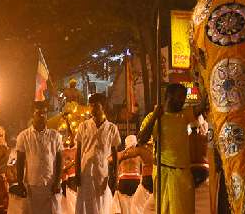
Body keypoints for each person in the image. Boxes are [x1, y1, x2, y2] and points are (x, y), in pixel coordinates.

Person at [137, 83, 207, 214]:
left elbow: (201, 106)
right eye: (179, 97)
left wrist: (203, 84)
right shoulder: (154, 117)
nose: (182, 101)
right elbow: (141, 139)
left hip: (183, 174)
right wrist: (154, 117)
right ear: (168, 96)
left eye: (184, 98)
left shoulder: (184, 115)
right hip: (163, 171)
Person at [75, 93, 121, 214]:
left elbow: (115, 154)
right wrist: (77, 173)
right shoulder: (83, 126)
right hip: (85, 172)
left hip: (102, 172)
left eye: (96, 106)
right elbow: (78, 151)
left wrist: (115, 174)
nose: (92, 109)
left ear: (103, 106)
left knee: (101, 204)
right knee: (85, 204)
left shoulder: (112, 128)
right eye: (90, 106)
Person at [16, 101, 63, 214]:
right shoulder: (23, 136)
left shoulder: (55, 135)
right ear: (32, 114)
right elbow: (20, 162)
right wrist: (20, 183)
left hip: (50, 184)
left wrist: (57, 182)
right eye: (39, 113)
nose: (42, 116)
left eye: (45, 113)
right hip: (32, 185)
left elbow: (60, 160)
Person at [112, 135, 142, 214]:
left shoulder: (121, 154)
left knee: (124, 205)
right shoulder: (139, 154)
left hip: (123, 181)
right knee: (136, 206)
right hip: (136, 180)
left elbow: (110, 160)